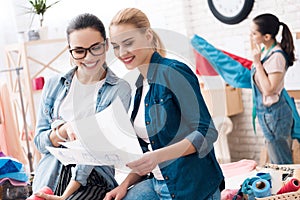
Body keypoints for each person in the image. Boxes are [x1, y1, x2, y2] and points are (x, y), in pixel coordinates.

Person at [104, 8, 224, 200]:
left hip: (190, 186)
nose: (121, 52)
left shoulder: (173, 72)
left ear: (148, 35)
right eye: (116, 46)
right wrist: (124, 185)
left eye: (128, 43)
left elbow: (206, 132)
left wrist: (157, 157)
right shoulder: (139, 86)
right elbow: (149, 153)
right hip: (159, 183)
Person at [31, 13, 131, 200]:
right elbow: (39, 143)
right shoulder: (55, 84)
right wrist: (62, 130)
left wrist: (66, 195)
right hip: (50, 174)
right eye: (79, 51)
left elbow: (95, 149)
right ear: (69, 50)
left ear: (106, 45)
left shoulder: (119, 90)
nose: (88, 57)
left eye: (95, 48)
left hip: (92, 177)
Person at [250, 13, 296, 164]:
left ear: (267, 36)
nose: (251, 36)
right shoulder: (265, 52)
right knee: (277, 161)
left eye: (254, 33)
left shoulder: (276, 57)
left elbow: (269, 89)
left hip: (275, 116)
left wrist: (257, 63)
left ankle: (290, 188)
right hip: (269, 115)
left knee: (282, 164)